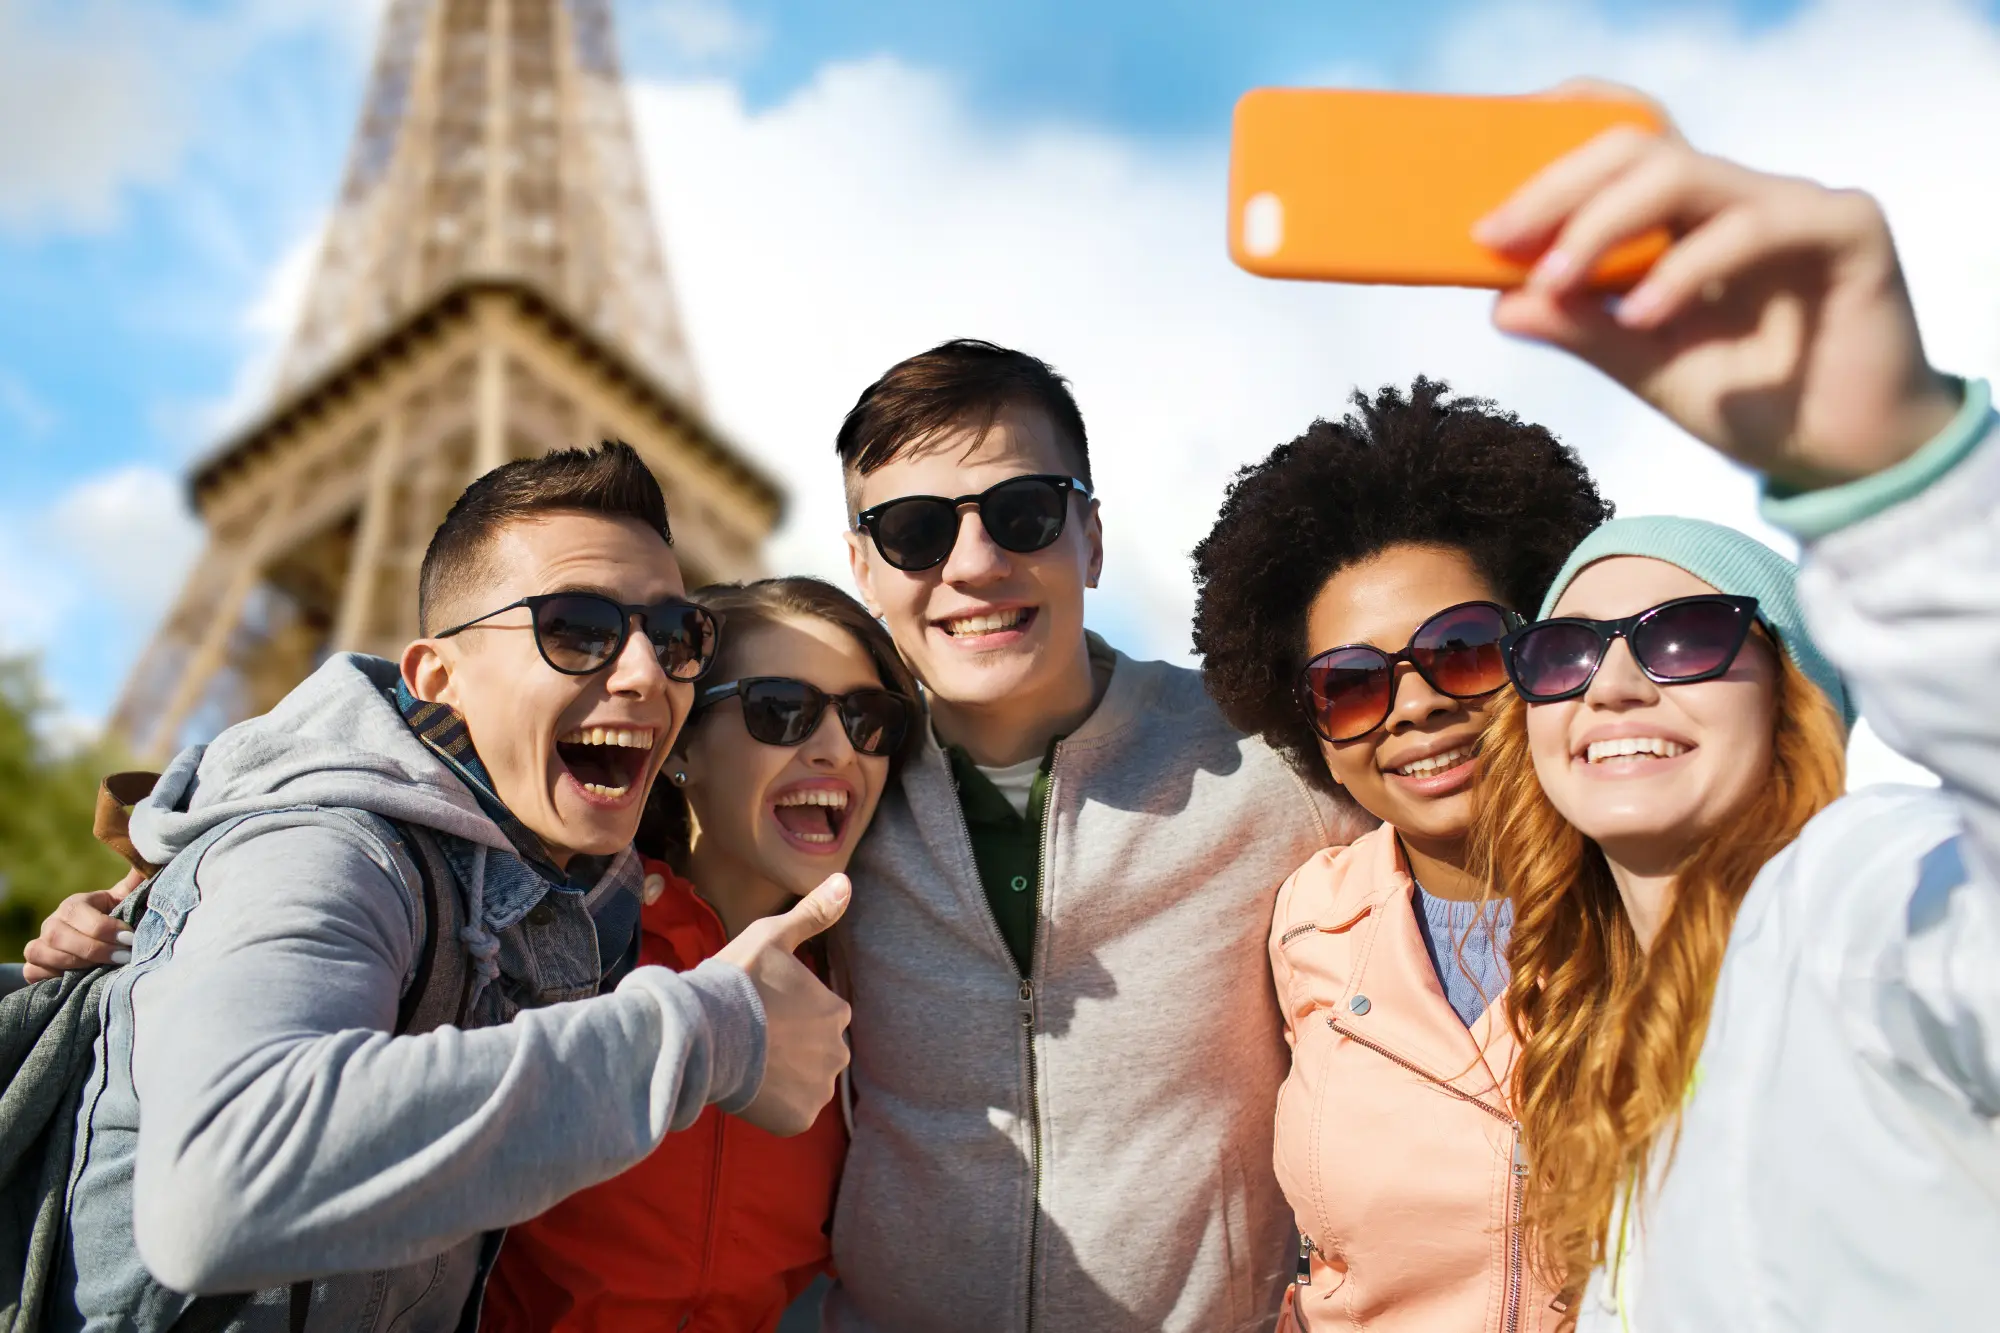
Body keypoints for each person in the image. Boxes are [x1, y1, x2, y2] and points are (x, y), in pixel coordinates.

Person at [52, 444, 853, 1331]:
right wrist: (715, 1032)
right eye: (577, 628)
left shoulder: (570, 893)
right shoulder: (326, 842)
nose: (643, 673)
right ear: (439, 677)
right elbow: (220, 1186)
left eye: (674, 638)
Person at [1468, 109, 1999, 1329]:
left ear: (1794, 693)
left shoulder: (1866, 899)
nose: (1611, 686)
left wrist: (1897, 479)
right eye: (1560, 651)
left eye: (1684, 636)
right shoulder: (1588, 1046)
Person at [825, 339, 1368, 1331]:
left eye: (1022, 512)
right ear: (862, 568)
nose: (975, 565)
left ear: (1091, 538)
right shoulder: (825, 798)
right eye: (913, 531)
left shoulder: (1267, 758)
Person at [1191, 377, 1610, 1332]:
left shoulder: (1672, 897)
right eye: (1350, 685)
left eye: (1462, 649)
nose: (1414, 705)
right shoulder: (1305, 921)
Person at [480, 576, 919, 1333]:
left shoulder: (869, 1012)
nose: (838, 748)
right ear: (681, 747)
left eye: (868, 719)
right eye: (782, 709)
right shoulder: (546, 944)